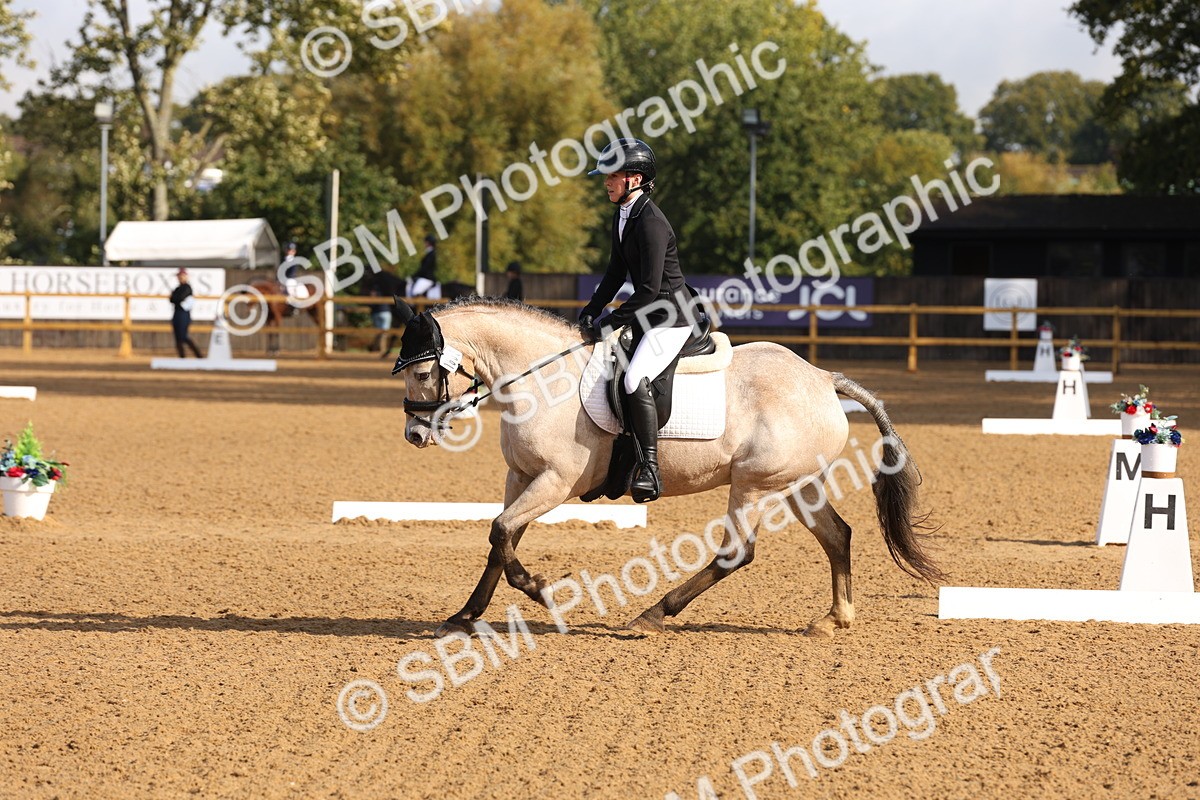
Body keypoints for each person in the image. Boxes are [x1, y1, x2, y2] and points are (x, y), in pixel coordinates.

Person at [578, 138, 694, 504]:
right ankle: (618, 460)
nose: (606, 182)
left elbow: (647, 290)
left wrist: (610, 323)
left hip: (671, 317)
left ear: (636, 178)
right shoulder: (623, 214)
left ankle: (650, 468)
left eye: (612, 176)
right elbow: (615, 273)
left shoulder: (651, 223)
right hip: (648, 313)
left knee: (633, 378)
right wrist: (592, 308)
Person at [169, 268, 202, 358]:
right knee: (178, 337)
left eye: (182, 276)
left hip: (183, 314)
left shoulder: (187, 288)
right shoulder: (177, 288)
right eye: (179, 276)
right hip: (177, 312)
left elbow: (178, 298)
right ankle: (182, 357)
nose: (180, 278)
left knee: (183, 336)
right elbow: (172, 300)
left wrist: (175, 298)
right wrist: (175, 298)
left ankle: (199, 356)